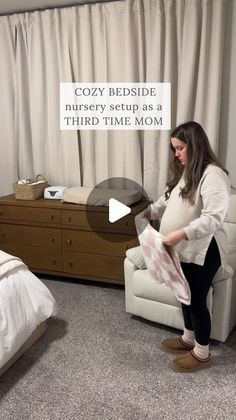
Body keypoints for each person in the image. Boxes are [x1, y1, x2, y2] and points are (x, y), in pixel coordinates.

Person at [148, 121, 230, 373]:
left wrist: (181, 233)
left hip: (205, 249)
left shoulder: (213, 174)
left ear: (195, 145)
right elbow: (164, 202)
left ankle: (202, 354)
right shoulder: (185, 173)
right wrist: (144, 214)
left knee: (195, 299)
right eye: (175, 148)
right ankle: (188, 338)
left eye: (180, 148)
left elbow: (213, 217)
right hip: (181, 248)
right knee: (183, 294)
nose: (177, 154)